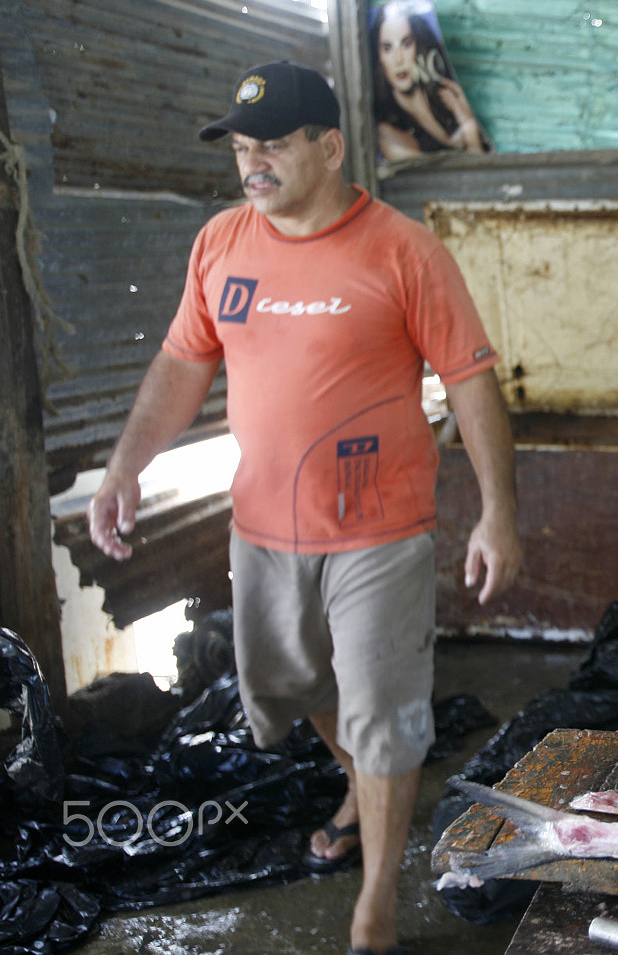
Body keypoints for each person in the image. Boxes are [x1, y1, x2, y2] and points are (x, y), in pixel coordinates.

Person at [86, 60, 521, 955]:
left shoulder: (403, 249)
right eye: (243, 148)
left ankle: (375, 911)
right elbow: (180, 364)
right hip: (263, 531)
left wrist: (497, 514)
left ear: (329, 147)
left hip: (380, 530)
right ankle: (363, 787)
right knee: (290, 689)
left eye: (273, 145)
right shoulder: (219, 244)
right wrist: (126, 465)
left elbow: (472, 382)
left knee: (385, 713)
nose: (254, 164)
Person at [371, 0, 490, 162]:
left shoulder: (445, 97)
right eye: (387, 48)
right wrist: (469, 130)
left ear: (418, 46)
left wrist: (467, 119)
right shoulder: (388, 132)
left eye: (406, 44)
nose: (398, 60)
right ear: (380, 58)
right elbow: (442, 181)